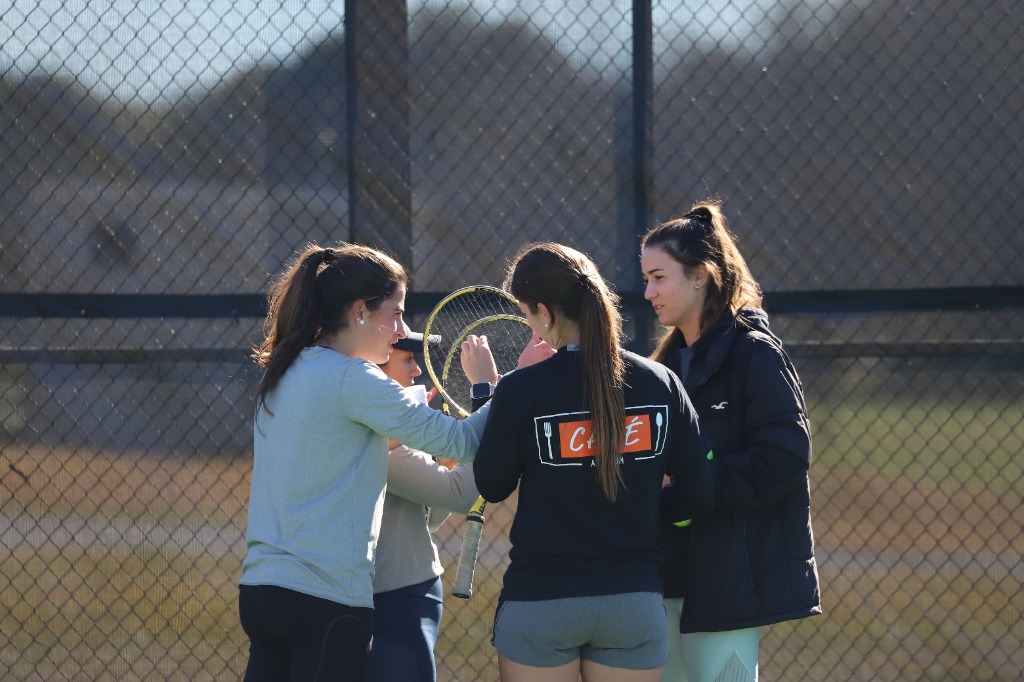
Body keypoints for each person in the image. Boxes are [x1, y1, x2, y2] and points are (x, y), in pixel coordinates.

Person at [238, 242, 492, 682]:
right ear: (359, 312)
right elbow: (465, 443)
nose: (399, 329)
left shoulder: (287, 369)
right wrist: (494, 388)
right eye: (394, 313)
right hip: (325, 602)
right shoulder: (354, 378)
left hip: (262, 593)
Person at [466, 242, 716, 682]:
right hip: (632, 600)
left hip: (542, 600)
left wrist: (486, 392)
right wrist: (641, 515)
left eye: (526, 312)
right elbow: (698, 493)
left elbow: (492, 483)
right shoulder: (661, 383)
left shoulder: (522, 390)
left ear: (543, 311)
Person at [640, 201, 822, 682]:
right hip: (661, 575)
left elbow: (784, 457)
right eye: (646, 279)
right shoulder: (662, 367)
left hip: (726, 582)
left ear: (700, 275)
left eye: (659, 277)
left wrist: (689, 483)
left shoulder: (754, 352)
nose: (647, 292)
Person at [369, 328, 482, 682]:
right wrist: (489, 393)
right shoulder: (378, 435)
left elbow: (427, 520)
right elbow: (460, 494)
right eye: (407, 359)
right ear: (377, 368)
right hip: (396, 598)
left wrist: (442, 462)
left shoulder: (394, 432)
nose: (417, 370)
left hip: (411, 591)